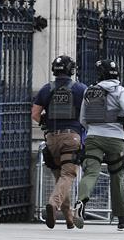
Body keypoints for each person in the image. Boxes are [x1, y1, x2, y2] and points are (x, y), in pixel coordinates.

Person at [73, 59, 124, 231]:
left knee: (91, 172)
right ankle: (122, 218)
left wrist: (93, 129)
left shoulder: (89, 91)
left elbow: (82, 119)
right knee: (117, 176)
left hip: (93, 137)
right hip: (115, 139)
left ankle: (80, 202)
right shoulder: (120, 90)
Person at [31, 55, 87, 229]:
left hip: (52, 139)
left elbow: (34, 114)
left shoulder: (46, 89)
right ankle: (53, 204)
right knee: (68, 175)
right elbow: (89, 113)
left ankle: (68, 217)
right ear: (71, 70)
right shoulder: (80, 89)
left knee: (60, 178)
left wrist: (45, 123)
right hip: (72, 137)